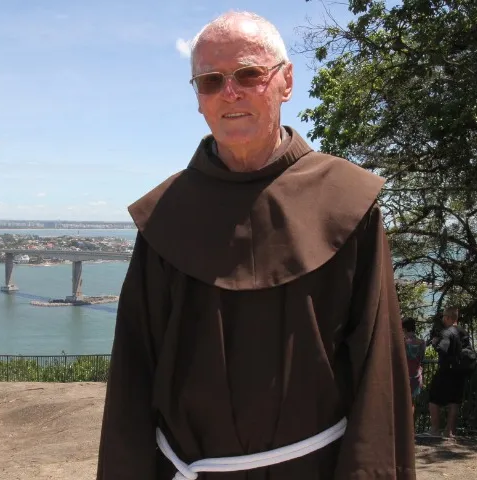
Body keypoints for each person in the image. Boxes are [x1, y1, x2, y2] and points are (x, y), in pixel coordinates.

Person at [97, 11, 416, 480]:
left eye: (249, 74)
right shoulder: (166, 216)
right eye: (210, 80)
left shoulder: (348, 203)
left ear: (286, 81)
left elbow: (378, 374)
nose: (231, 92)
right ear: (199, 100)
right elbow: (133, 376)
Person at [428, 307, 470, 438]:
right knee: (454, 401)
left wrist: (435, 343)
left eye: (444, 317)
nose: (442, 319)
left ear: (448, 318)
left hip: (446, 370)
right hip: (460, 371)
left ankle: (435, 430)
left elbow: (443, 349)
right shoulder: (463, 331)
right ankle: (449, 431)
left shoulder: (447, 332)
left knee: (433, 399)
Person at [402, 317, 426, 416]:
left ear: (404, 328)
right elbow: (422, 358)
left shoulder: (402, 342)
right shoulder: (422, 342)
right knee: (411, 403)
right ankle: (410, 426)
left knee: (400, 402)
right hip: (416, 376)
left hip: (403, 375)